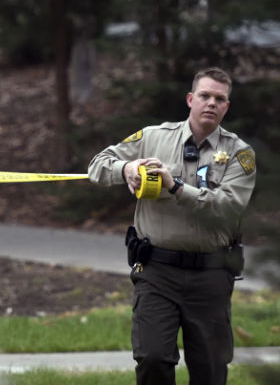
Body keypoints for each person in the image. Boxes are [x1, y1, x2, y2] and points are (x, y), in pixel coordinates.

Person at [88, 67, 255, 385]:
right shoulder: (153, 137)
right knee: (152, 359)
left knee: (209, 371)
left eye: (219, 99)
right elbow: (97, 165)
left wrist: (175, 185)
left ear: (227, 107)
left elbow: (227, 207)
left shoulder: (239, 154)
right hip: (157, 271)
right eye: (204, 96)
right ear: (191, 99)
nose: (211, 103)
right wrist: (126, 168)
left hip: (211, 275)